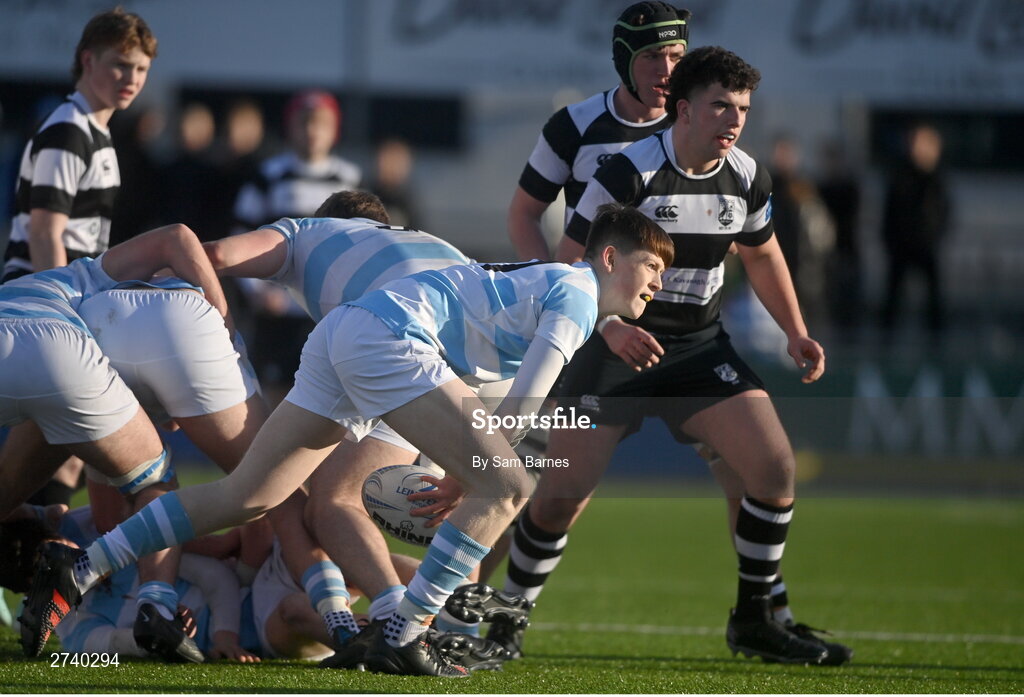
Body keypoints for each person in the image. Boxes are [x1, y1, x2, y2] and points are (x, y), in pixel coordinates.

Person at [24, 203, 673, 678]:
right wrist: (474, 468)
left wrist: (464, 467)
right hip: (389, 340)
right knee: (509, 485)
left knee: (247, 494)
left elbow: (504, 391)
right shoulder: (578, 293)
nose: (659, 282)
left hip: (344, 334)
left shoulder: (559, 286)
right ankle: (404, 628)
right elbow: (528, 397)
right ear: (610, 257)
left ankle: (82, 564)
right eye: (652, 266)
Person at [504, 46, 850, 666]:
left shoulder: (747, 177)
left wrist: (795, 330)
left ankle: (755, 619)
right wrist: (607, 328)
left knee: (773, 471)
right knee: (561, 497)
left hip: (695, 348)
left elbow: (763, 252)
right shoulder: (626, 172)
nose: (734, 120)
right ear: (683, 110)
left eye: (742, 108)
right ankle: (507, 616)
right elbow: (571, 264)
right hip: (608, 345)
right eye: (721, 105)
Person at [203, 190, 514, 668]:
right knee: (443, 500)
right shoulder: (426, 241)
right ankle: (458, 627)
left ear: (329, 221)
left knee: (333, 501)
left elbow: (216, 255)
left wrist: (205, 315)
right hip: (491, 360)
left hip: (412, 350)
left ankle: (396, 623)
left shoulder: (312, 233)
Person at [0, 223, 230, 659]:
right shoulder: (101, 283)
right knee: (154, 483)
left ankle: (24, 556)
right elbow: (178, 236)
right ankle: (156, 606)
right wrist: (224, 318)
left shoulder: (64, 278)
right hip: (61, 351)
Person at [508, 1, 689, 263]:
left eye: (676, 57)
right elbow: (523, 214)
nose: (667, 70)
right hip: (594, 298)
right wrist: (544, 282)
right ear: (625, 58)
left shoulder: (693, 125)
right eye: (652, 55)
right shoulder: (574, 124)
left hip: (673, 299)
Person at [2, 6, 157, 280]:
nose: (132, 79)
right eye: (120, 64)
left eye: (142, 68)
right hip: (41, 297)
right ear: (88, 60)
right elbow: (44, 234)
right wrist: (64, 311)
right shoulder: (68, 131)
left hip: (70, 290)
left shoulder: (94, 130)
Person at [232, 89, 361, 405]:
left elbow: (360, 243)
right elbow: (240, 237)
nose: (312, 132)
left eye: (320, 124)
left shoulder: (349, 177)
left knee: (325, 395)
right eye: (304, 123)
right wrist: (257, 292)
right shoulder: (268, 175)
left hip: (324, 311)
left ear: (334, 130)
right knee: (273, 394)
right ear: (290, 128)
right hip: (277, 312)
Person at [880, 123, 951, 336]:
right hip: (901, 245)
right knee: (893, 296)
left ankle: (936, 340)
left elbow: (943, 212)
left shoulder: (936, 178)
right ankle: (887, 339)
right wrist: (889, 241)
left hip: (926, 244)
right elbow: (890, 211)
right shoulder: (900, 174)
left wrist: (935, 237)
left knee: (933, 297)